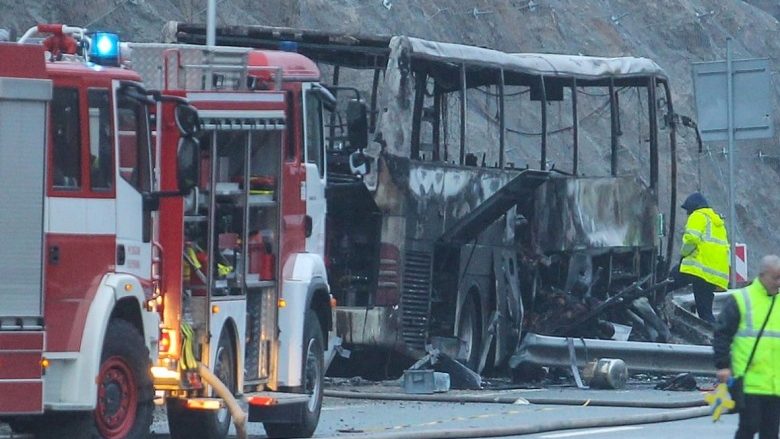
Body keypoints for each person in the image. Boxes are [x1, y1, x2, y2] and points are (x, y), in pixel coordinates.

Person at [714, 254, 780, 439]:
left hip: (775, 384)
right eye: (775, 278)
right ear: (762, 275)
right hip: (749, 382)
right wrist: (723, 365)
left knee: (770, 434)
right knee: (749, 427)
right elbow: (722, 334)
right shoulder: (742, 300)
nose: (779, 282)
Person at [677, 192, 730, 322]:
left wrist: (683, 254)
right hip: (713, 273)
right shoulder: (716, 222)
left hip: (698, 269)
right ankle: (715, 335)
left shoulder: (698, 216)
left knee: (666, 283)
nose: (687, 214)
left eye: (688, 211)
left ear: (692, 208)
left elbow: (691, 239)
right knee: (705, 312)